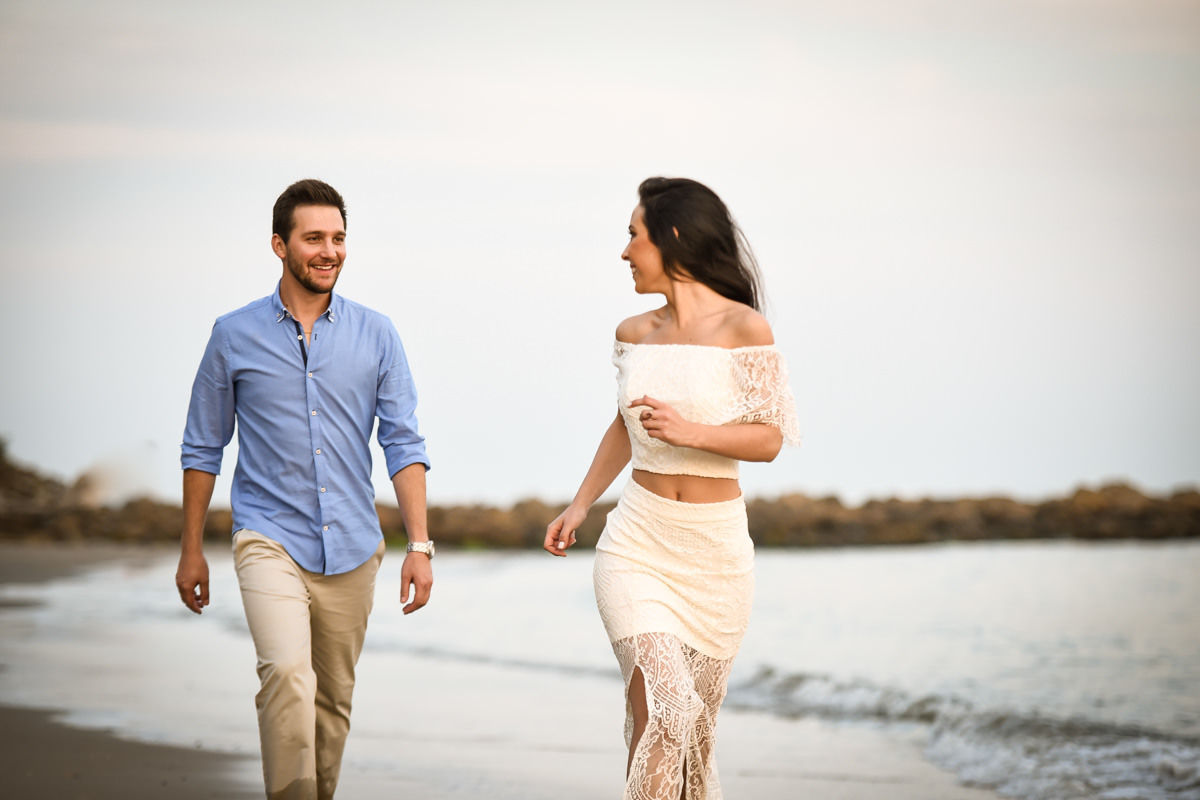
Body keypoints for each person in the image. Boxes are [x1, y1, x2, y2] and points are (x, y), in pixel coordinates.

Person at [174, 178, 434, 800]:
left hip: (352, 544)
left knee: (332, 701)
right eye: (313, 237)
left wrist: (420, 545)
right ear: (279, 245)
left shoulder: (379, 334)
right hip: (268, 536)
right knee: (288, 675)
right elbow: (202, 446)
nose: (329, 250)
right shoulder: (232, 335)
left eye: (339, 238)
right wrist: (190, 549)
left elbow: (403, 443)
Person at [545, 177, 800, 799]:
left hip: (716, 557)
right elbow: (624, 425)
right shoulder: (634, 333)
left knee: (696, 739)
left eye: (634, 235)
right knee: (668, 712)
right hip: (637, 544)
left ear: (674, 237)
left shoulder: (746, 329)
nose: (626, 252)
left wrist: (692, 432)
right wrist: (581, 504)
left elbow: (767, 438)